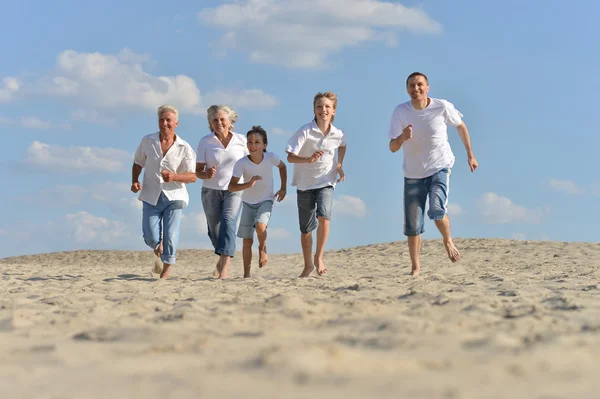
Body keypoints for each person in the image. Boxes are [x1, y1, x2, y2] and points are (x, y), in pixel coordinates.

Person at [388, 72, 479, 277]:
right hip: (413, 173)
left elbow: (461, 126)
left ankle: (447, 240)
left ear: (427, 87)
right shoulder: (400, 111)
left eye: (420, 84)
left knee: (437, 209)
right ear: (407, 89)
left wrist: (470, 155)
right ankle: (416, 268)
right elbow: (393, 146)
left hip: (440, 166)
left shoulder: (442, 106)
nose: (416, 88)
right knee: (413, 224)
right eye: (411, 85)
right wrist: (402, 137)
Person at [131, 104, 197, 279]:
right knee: (150, 236)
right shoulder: (147, 141)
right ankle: (157, 246)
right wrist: (135, 181)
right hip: (151, 194)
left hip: (174, 196)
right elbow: (138, 162)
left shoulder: (184, 147)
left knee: (171, 233)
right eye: (161, 119)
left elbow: (192, 176)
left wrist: (174, 177)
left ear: (176, 123)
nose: (164, 123)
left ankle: (166, 270)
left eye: (169, 120)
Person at [286, 92, 347, 278]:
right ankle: (307, 265)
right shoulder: (305, 131)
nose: (323, 110)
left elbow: (343, 144)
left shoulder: (337, 134)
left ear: (333, 111)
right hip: (305, 184)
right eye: (319, 106)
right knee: (306, 230)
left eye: (327, 107)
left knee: (324, 217)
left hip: (326, 181)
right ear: (314, 110)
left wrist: (339, 165)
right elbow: (289, 156)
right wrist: (308, 159)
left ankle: (319, 257)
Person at [196, 105, 248, 279]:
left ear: (230, 121)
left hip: (234, 189)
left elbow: (251, 161)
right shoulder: (205, 141)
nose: (219, 123)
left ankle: (224, 269)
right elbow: (198, 171)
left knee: (229, 222)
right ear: (211, 123)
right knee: (214, 229)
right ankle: (222, 257)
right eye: (215, 120)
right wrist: (206, 173)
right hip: (211, 190)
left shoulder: (241, 140)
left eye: (222, 119)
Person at [228, 126, 287, 278]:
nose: (252, 146)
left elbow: (282, 167)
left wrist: (283, 188)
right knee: (247, 241)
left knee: (261, 226)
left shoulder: (270, 157)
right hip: (247, 202)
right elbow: (231, 186)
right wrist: (248, 184)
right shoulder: (241, 163)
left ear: (264, 145)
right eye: (249, 142)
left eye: (257, 142)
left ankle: (262, 247)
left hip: (266, 200)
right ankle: (246, 274)